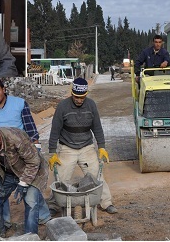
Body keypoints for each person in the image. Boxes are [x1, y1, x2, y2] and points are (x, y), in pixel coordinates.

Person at [0, 78, 49, 229]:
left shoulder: (19, 103)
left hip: (21, 150)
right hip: (1, 154)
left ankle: (31, 235)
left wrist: (35, 147)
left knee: (31, 198)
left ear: (4, 89)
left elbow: (29, 127)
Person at [47, 78, 117, 214]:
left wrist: (101, 147)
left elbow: (97, 127)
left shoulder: (91, 105)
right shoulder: (62, 106)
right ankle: (54, 205)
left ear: (86, 94)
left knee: (97, 177)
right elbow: (55, 130)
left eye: (82, 97)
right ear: (72, 93)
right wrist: (52, 152)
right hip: (67, 147)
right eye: (77, 97)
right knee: (60, 178)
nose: (79, 100)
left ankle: (106, 202)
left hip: (86, 147)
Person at [0, 122, 50, 237]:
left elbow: (34, 162)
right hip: (8, 172)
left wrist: (23, 183)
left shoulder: (16, 138)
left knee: (30, 200)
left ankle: (30, 237)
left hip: (30, 171)